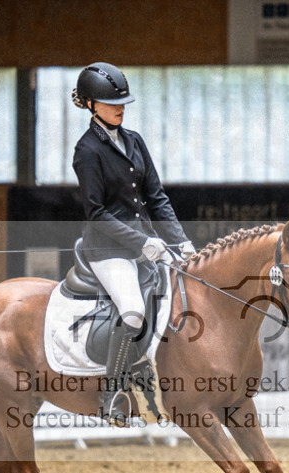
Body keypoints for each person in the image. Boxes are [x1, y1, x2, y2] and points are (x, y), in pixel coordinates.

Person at [71, 62, 196, 426]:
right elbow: (96, 213)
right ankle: (112, 396)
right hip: (107, 251)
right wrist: (142, 243)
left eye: (124, 100)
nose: (120, 106)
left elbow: (156, 198)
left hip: (149, 245)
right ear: (92, 104)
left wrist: (182, 242)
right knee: (132, 312)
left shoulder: (135, 140)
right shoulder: (87, 150)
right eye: (112, 102)